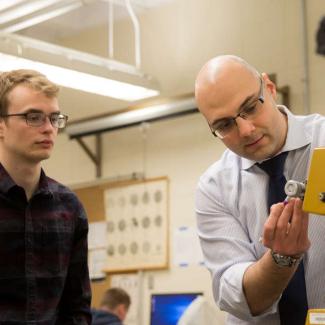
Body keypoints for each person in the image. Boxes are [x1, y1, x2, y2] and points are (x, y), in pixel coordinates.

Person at [194, 55, 325, 324]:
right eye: (224, 125)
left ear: (270, 88)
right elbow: (237, 298)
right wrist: (280, 260)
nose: (245, 130)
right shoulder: (214, 188)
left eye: (251, 107)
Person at [0, 69, 92, 323]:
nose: (49, 128)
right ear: (1, 125)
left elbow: (77, 305)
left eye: (54, 118)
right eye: (34, 117)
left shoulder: (69, 208)